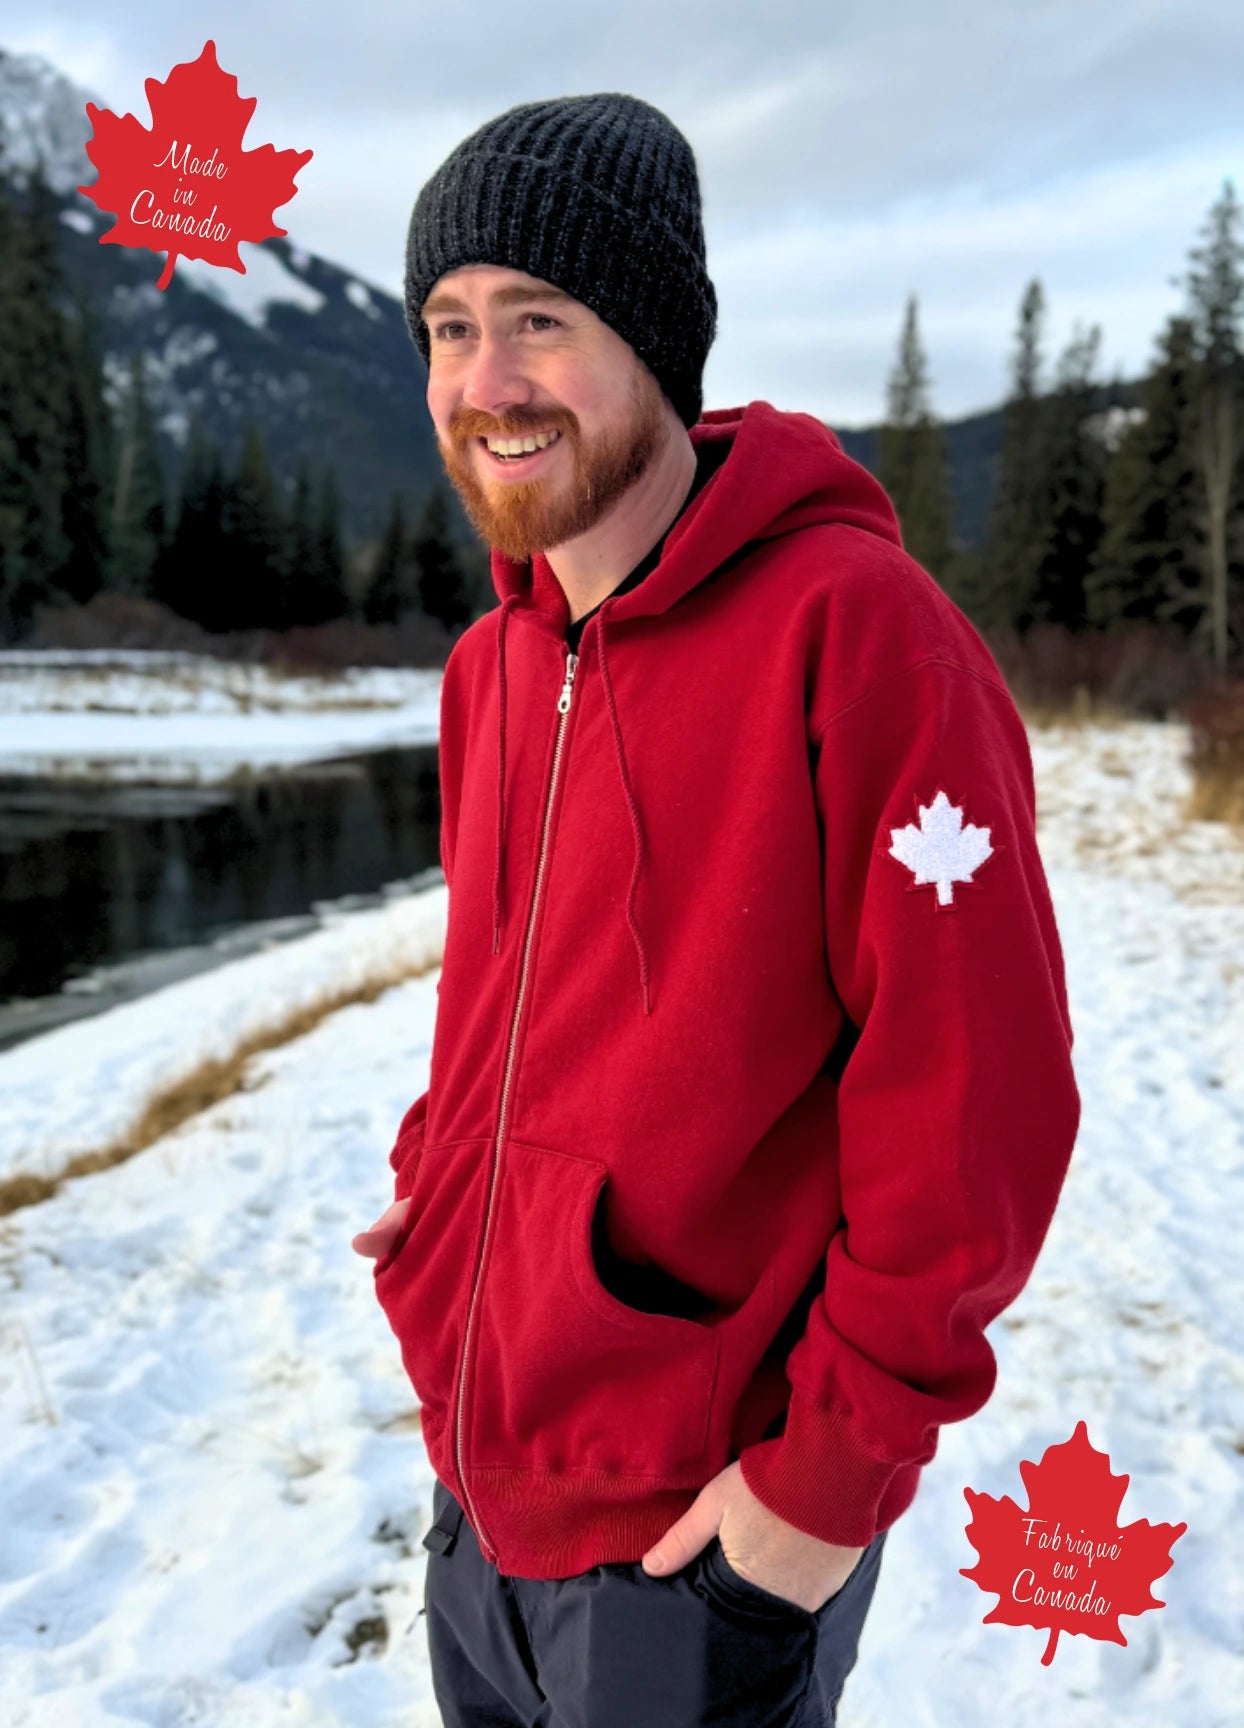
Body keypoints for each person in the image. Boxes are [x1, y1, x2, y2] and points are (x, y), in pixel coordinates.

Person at [352, 91, 1081, 1727]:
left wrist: (823, 1491)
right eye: (450, 329)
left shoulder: (864, 642)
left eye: (540, 321)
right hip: (483, 1479)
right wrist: (446, 1186)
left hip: (701, 1533)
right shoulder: (493, 666)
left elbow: (981, 1105)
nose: (486, 384)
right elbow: (503, 995)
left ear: (655, 343)